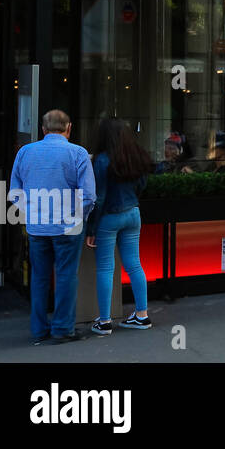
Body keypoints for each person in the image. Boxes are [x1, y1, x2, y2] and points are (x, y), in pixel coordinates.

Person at [9, 109, 96, 345]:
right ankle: (62, 329)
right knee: (66, 276)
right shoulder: (77, 153)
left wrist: (31, 213)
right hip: (68, 226)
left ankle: (38, 329)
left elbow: (14, 192)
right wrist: (80, 217)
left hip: (37, 227)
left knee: (39, 277)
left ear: (43, 129)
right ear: (69, 128)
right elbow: (89, 196)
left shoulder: (25, 152)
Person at [85, 118, 153, 335]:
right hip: (133, 213)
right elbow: (142, 185)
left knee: (106, 267)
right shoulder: (136, 155)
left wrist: (92, 228)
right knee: (134, 264)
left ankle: (104, 321)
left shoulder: (102, 160)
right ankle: (141, 316)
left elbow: (100, 197)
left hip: (109, 217)